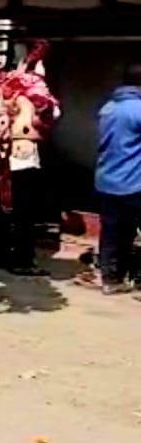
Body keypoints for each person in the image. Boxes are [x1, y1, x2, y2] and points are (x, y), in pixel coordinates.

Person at [88, 61, 141, 296]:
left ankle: (111, 279)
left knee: (112, 233)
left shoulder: (108, 107)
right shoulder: (138, 109)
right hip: (135, 182)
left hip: (108, 181)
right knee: (129, 232)